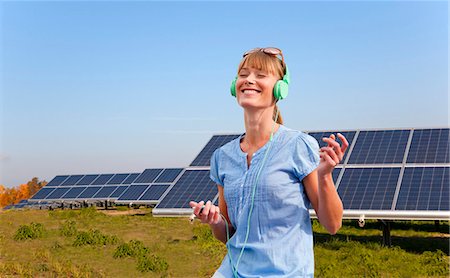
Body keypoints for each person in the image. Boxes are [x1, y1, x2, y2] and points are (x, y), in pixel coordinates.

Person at [190, 47, 348, 277]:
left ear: (280, 88)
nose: (249, 80)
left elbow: (333, 225)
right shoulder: (222, 157)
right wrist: (214, 221)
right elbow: (229, 233)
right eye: (243, 74)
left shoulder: (298, 145)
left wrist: (325, 176)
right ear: (235, 85)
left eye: (260, 75)